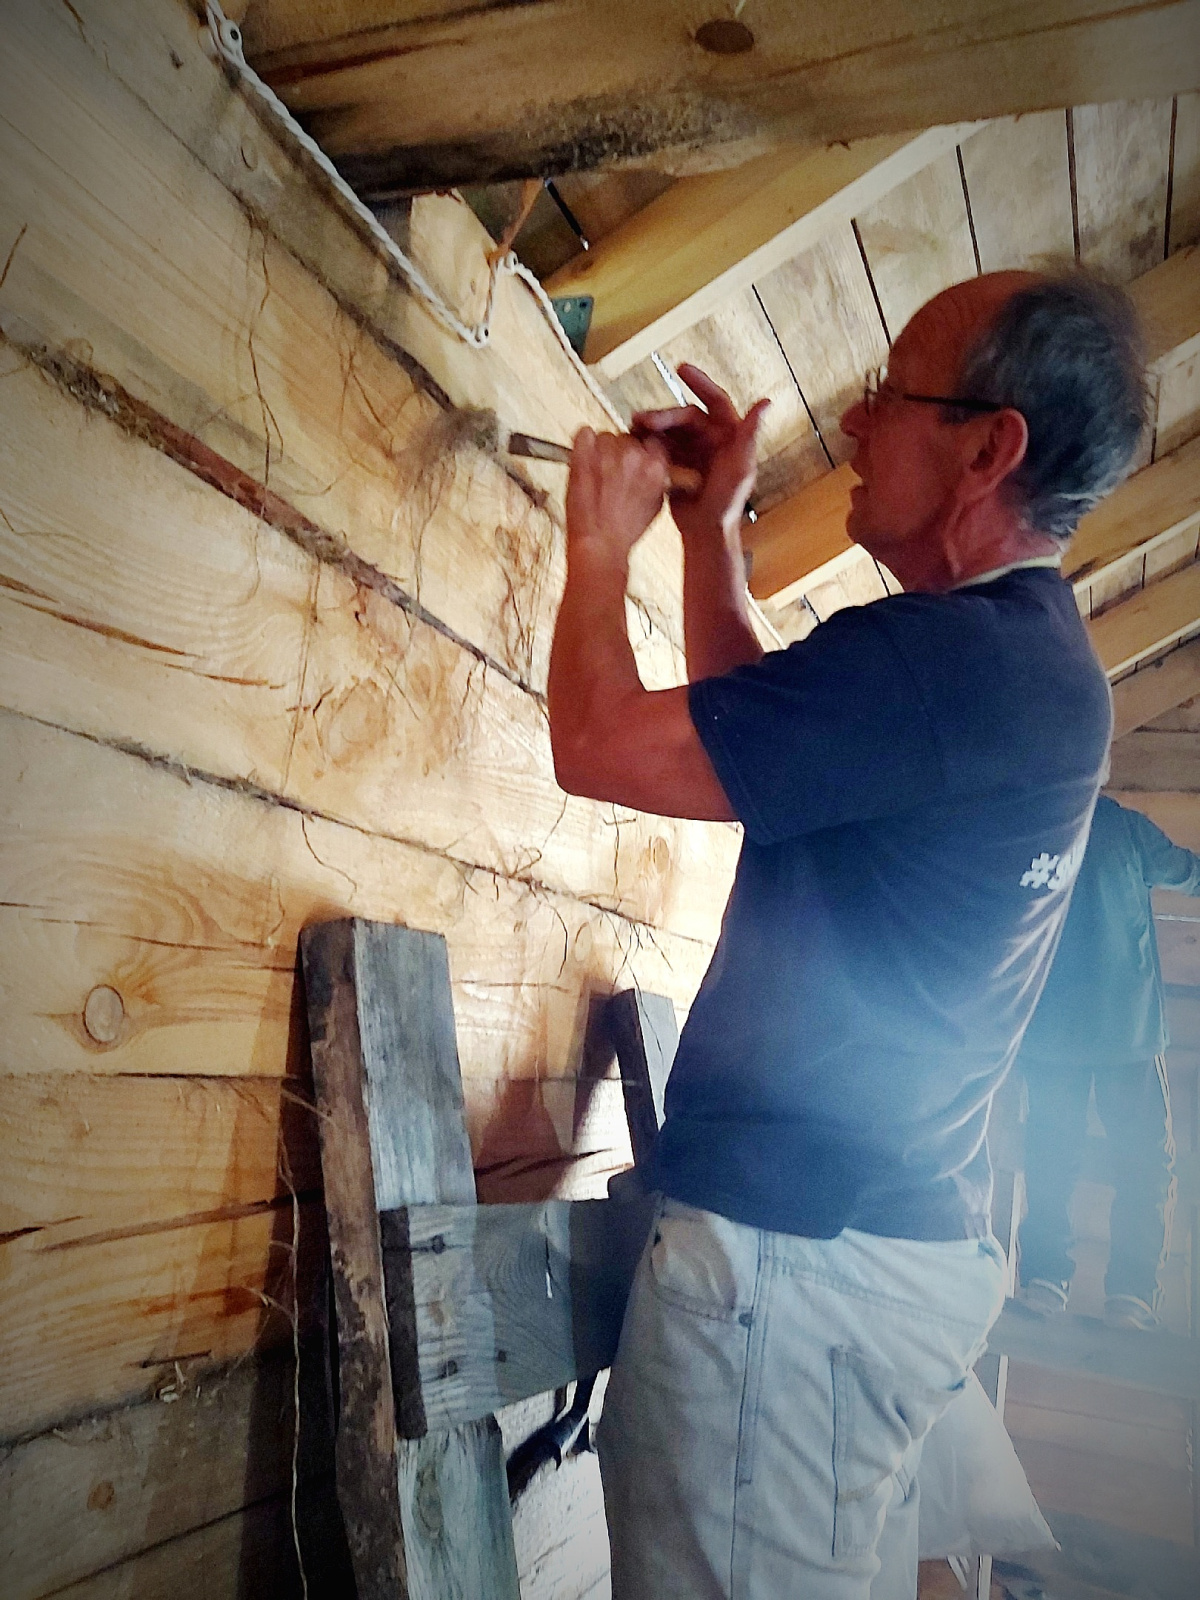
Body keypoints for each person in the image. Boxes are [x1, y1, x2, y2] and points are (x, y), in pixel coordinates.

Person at [547, 269, 1146, 1599]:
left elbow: (595, 744)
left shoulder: (952, 663)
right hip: (857, 1261)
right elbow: (765, 742)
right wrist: (709, 535)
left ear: (989, 450)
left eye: (891, 395)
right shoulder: (1021, 665)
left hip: (797, 1273)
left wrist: (597, 544)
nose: (855, 422)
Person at [1016, 795, 1200, 1331]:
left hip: (1050, 1030)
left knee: (1051, 1155)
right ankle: (1132, 1296)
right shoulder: (1126, 828)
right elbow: (1189, 875)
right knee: (1146, 1164)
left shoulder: (1035, 820)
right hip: (1128, 1030)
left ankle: (1044, 1279)